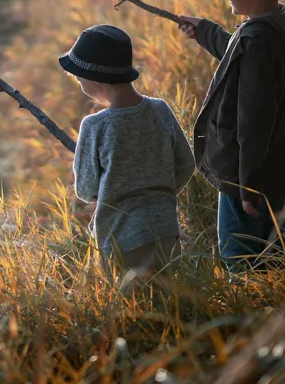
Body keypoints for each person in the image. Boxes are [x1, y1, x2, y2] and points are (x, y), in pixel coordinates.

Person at [177, 0, 285, 268]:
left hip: (248, 174)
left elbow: (253, 121)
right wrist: (205, 32)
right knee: (270, 252)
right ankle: (280, 297)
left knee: (240, 257)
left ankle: (251, 302)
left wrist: (246, 186)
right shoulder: (275, 23)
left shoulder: (258, 41)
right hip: (274, 165)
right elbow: (240, 52)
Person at [60, 24, 195, 277]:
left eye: (79, 78)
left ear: (96, 79)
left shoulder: (95, 126)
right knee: (168, 295)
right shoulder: (160, 110)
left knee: (131, 298)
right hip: (166, 231)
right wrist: (159, 191)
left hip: (120, 239)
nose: (78, 82)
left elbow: (86, 190)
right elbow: (186, 164)